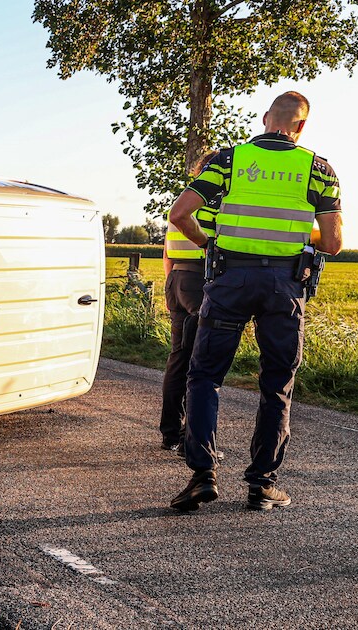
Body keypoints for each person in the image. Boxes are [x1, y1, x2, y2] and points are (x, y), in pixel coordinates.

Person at [165, 91, 343, 512]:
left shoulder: (228, 160)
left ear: (266, 119)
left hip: (230, 279)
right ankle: (262, 483)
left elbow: (179, 214)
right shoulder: (318, 169)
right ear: (301, 126)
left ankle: (202, 474)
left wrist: (210, 244)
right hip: (284, 285)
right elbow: (334, 243)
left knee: (205, 374)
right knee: (277, 382)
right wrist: (298, 234)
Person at [159, 150, 221, 456]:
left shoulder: (183, 199)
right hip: (199, 280)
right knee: (200, 364)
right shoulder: (214, 202)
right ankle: (191, 440)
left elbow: (167, 253)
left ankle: (171, 433)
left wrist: (173, 285)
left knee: (178, 359)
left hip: (177, 280)